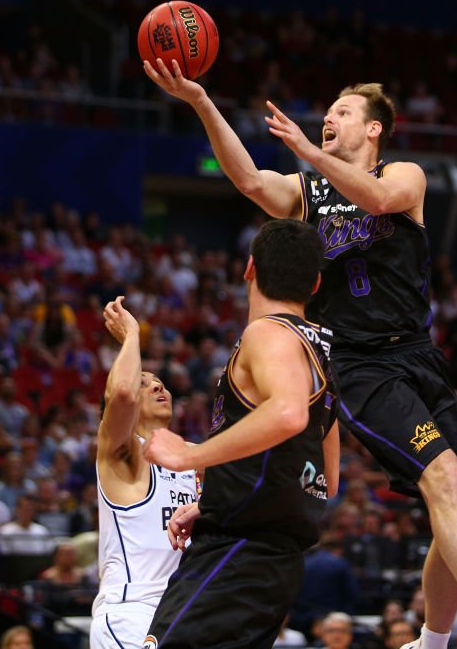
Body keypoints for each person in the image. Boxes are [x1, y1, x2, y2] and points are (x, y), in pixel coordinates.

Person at [144, 63, 457, 649]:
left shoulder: (405, 175)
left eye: (342, 113)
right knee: (443, 477)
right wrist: (198, 100)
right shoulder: (309, 192)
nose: (327, 119)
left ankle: (431, 641)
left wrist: (311, 155)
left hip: (418, 356)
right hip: (355, 361)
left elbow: (376, 196)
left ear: (373, 130)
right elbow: (247, 179)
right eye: (326, 114)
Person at [140, 219, 341, 648]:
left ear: (249, 268)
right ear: (315, 283)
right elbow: (327, 477)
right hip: (273, 560)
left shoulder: (268, 333)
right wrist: (218, 496)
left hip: (238, 553)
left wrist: (186, 456)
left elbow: (287, 416)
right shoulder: (322, 354)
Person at [88, 295, 199, 649]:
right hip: (132, 612)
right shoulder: (123, 453)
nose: (157, 385)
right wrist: (132, 335)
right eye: (144, 381)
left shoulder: (193, 457)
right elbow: (121, 394)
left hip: (184, 612)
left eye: (160, 381)